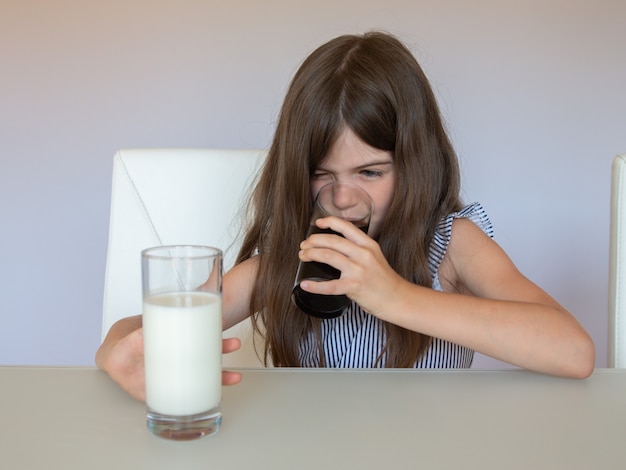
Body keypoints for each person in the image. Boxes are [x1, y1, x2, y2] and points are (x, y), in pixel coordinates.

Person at [96, 31, 595, 401]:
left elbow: (573, 351)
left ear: (413, 163)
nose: (342, 199)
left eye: (370, 172)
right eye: (321, 174)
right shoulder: (292, 254)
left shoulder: (450, 245)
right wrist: (116, 348)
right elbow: (149, 327)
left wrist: (394, 295)